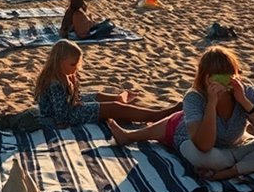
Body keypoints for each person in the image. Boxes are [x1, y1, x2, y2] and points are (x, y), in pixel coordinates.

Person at [107, 46, 254, 181]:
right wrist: (212, 103)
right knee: (193, 146)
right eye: (220, 76)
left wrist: (245, 102)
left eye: (231, 74)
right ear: (206, 77)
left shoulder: (246, 91)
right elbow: (204, 145)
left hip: (233, 145)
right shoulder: (195, 97)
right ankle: (130, 136)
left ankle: (226, 172)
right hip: (198, 142)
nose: (227, 80)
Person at [34, 40, 180, 128]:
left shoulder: (64, 74)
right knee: (112, 109)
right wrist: (82, 107)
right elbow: (61, 115)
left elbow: (75, 97)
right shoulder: (54, 81)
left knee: (98, 96)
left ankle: (118, 99)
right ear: (59, 61)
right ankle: (157, 116)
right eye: (72, 65)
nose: (75, 69)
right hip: (59, 117)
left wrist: (76, 92)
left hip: (69, 107)